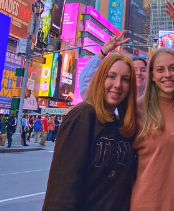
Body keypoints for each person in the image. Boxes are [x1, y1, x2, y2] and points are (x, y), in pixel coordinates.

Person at [43, 53, 138, 211]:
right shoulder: (82, 115)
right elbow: (62, 182)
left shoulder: (124, 126)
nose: (118, 85)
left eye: (125, 79)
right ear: (101, 78)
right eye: (111, 76)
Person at [130, 48, 174, 211]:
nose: (167, 74)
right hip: (145, 204)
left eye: (173, 68)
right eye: (160, 70)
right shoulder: (137, 110)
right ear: (153, 76)